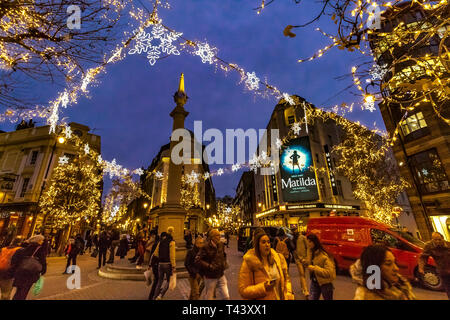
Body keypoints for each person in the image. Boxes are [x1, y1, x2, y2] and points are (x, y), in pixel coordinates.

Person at [238, 228, 294, 300]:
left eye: (268, 242)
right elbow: (243, 290)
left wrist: (288, 294)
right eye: (263, 242)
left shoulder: (277, 258)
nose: (267, 245)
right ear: (257, 245)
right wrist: (263, 287)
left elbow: (286, 279)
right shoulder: (249, 262)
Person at [350, 244, 416, 300]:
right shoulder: (366, 296)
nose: (396, 268)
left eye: (395, 262)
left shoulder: (398, 285)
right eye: (388, 264)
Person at [195, 229, 230, 300]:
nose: (219, 237)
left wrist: (223, 263)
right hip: (210, 276)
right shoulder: (205, 247)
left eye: (219, 235)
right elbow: (197, 260)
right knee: (209, 296)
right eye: (217, 235)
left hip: (220, 274)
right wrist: (209, 266)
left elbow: (223, 255)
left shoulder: (221, 245)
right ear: (212, 237)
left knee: (226, 296)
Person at [11, 235, 47, 300]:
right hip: (30, 272)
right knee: (24, 290)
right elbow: (43, 261)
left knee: (19, 290)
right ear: (38, 241)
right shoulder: (39, 249)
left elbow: (14, 259)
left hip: (20, 271)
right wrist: (43, 270)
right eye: (41, 240)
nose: (42, 242)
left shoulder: (23, 247)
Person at [418, 232, 450, 298]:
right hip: (443, 271)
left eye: (439, 239)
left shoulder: (448, 244)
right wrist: (421, 268)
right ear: (432, 239)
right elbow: (423, 257)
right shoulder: (429, 246)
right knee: (448, 288)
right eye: (435, 240)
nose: (438, 241)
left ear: (442, 238)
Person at [304, 233, 336, 300]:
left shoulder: (323, 256)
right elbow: (310, 262)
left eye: (310, 241)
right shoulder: (310, 252)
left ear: (315, 242)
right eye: (307, 241)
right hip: (314, 281)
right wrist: (306, 262)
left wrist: (314, 268)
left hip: (325, 283)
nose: (308, 244)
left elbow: (329, 272)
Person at [152, 227, 176, 300]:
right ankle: (161, 295)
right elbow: (172, 255)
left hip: (160, 264)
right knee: (169, 281)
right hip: (168, 264)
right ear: (173, 232)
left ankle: (154, 297)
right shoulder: (172, 242)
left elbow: (155, 253)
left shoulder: (161, 242)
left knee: (160, 281)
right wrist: (173, 265)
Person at [294, 231, 309, 299]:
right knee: (302, 274)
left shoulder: (302, 237)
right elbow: (294, 249)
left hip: (304, 259)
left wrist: (307, 258)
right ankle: (305, 290)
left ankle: (302, 287)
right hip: (298, 260)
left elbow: (308, 247)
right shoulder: (294, 239)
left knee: (303, 274)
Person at [147, 230, 160, 300]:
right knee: (157, 280)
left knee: (157, 280)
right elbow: (154, 255)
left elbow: (152, 255)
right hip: (157, 264)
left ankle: (155, 294)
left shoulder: (155, 244)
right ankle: (153, 295)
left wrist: (150, 264)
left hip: (154, 264)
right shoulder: (158, 245)